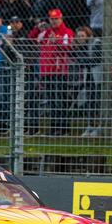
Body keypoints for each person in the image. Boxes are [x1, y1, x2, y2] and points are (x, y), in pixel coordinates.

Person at [29, 8, 74, 136]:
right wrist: (38, 28)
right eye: (52, 19)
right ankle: (54, 127)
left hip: (60, 72)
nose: (54, 21)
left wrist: (57, 42)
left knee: (60, 100)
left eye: (56, 19)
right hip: (46, 72)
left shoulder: (66, 32)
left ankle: (62, 128)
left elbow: (68, 48)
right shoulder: (46, 32)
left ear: (61, 19)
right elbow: (32, 39)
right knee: (52, 100)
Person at [72, 26, 103, 137]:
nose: (80, 38)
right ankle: (90, 126)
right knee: (90, 102)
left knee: (98, 102)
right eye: (78, 36)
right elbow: (81, 61)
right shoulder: (81, 47)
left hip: (98, 77)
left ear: (88, 35)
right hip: (88, 78)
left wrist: (82, 58)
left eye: (82, 36)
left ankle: (100, 127)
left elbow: (94, 60)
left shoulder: (96, 43)